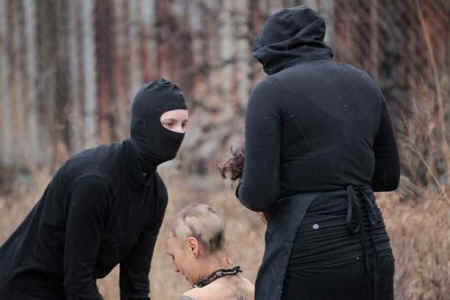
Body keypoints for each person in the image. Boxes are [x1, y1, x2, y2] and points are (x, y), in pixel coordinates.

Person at [221, 5, 400, 300]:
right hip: (371, 243)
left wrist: (242, 179)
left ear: (271, 52)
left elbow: (258, 195)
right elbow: (388, 176)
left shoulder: (271, 92)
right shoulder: (365, 83)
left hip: (308, 250)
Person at [0, 78, 189, 300]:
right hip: (21, 288)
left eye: (184, 124)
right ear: (143, 124)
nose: (178, 133)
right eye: (170, 124)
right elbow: (78, 282)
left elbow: (135, 285)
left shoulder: (156, 194)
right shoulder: (95, 182)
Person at [166, 203, 254, 300]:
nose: (176, 269)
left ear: (192, 247)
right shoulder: (256, 291)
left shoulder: (193, 298)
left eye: (173, 256)